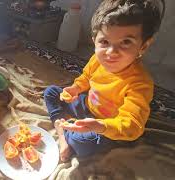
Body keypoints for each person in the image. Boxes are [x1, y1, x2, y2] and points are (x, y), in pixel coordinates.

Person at [43, 0, 165, 161]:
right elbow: (86, 77)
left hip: (107, 124)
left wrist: (101, 126)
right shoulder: (97, 59)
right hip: (86, 104)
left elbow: (133, 125)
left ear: (143, 46)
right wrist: (75, 88)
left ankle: (64, 133)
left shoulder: (140, 83)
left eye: (126, 42)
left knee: (82, 143)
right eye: (104, 42)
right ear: (94, 40)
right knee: (50, 92)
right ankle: (62, 132)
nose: (111, 52)